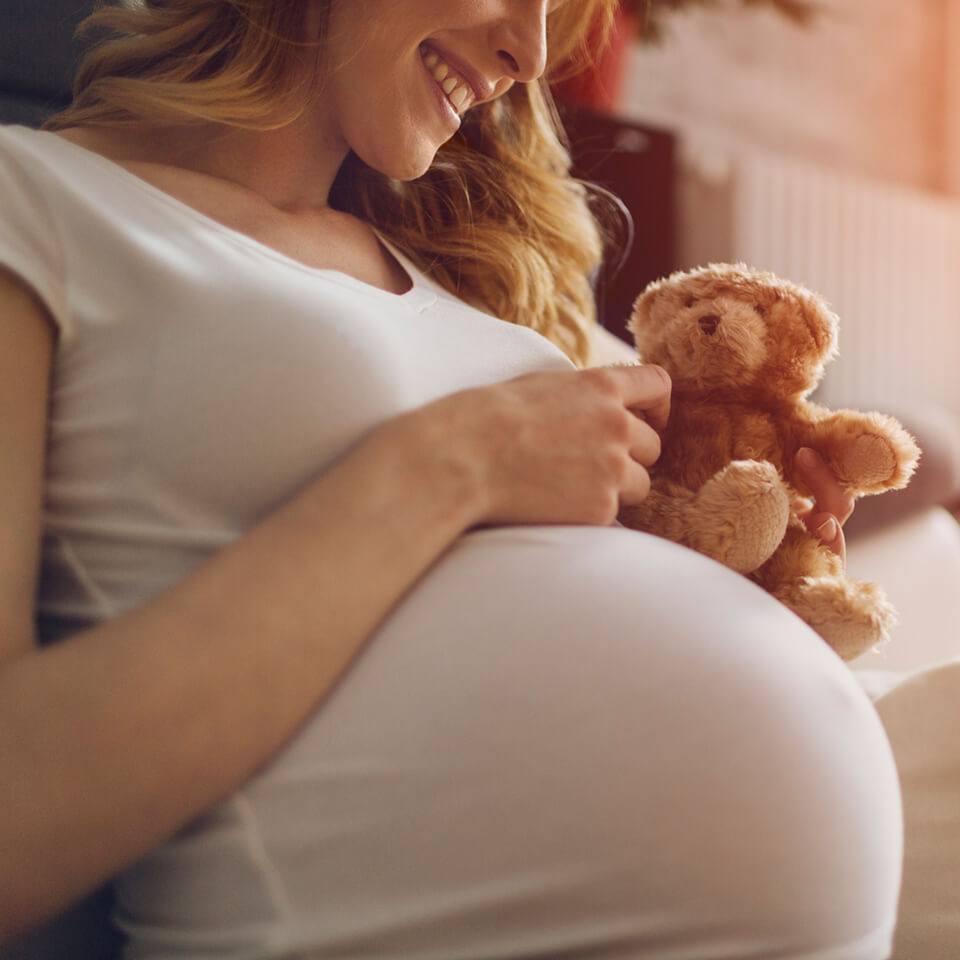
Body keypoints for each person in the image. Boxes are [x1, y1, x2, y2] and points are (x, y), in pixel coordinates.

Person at [0, 0, 906, 956]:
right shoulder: (35, 203)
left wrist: (737, 538)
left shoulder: (445, 265)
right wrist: (449, 466)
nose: (531, 49)